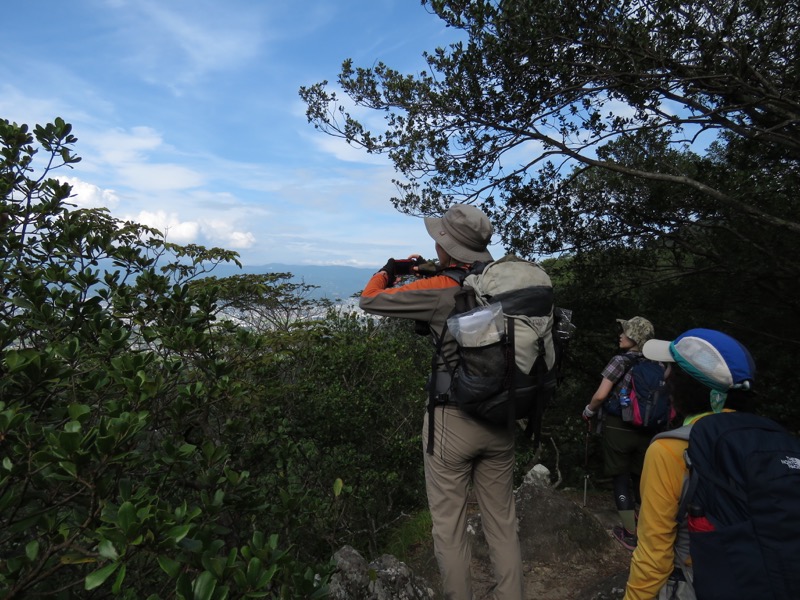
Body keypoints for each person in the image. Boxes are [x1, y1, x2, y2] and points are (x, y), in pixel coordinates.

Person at [359, 204, 524, 600]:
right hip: (502, 415)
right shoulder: (506, 284)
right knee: (502, 523)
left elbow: (370, 299)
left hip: (453, 419)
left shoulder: (439, 288)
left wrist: (391, 268)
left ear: (447, 246)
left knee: (449, 526)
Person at [624, 329, 756, 600]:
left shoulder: (670, 449)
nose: (666, 376)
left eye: (673, 370)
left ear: (688, 385)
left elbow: (654, 554)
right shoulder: (769, 441)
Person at [581, 316, 659, 551]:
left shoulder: (619, 361)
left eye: (625, 332)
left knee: (620, 477)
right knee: (641, 478)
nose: (621, 335)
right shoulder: (658, 364)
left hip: (618, 427)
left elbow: (601, 395)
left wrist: (588, 411)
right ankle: (648, 528)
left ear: (635, 338)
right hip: (648, 428)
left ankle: (629, 533)